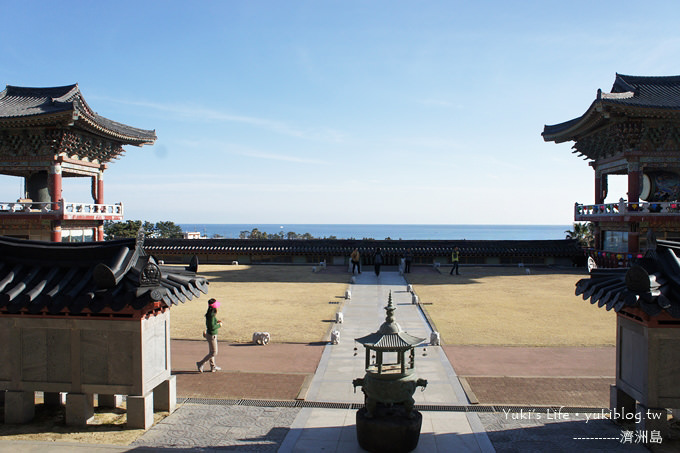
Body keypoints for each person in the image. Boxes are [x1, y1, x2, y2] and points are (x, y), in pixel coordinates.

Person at [197, 298, 222, 372]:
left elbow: (211, 322)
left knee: (211, 352)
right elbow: (212, 327)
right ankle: (200, 363)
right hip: (212, 335)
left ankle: (213, 366)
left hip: (209, 334)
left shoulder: (210, 313)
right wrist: (219, 325)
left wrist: (216, 321)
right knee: (214, 352)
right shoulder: (211, 315)